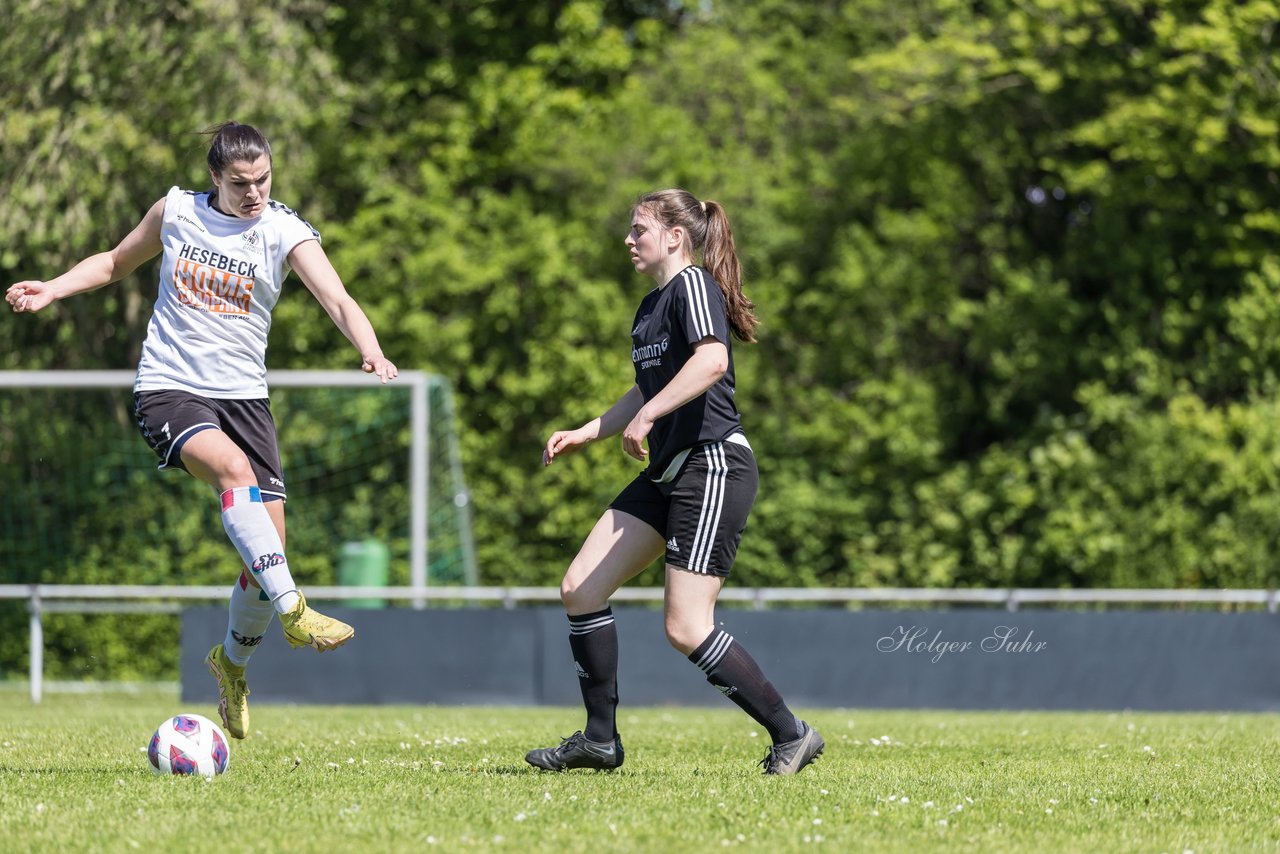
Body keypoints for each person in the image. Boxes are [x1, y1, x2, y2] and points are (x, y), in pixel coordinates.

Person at [5, 121, 397, 740]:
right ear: (214, 177)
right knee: (234, 477)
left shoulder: (283, 229)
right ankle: (297, 611)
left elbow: (339, 300)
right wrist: (52, 288)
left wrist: (370, 349)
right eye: (240, 183)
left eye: (263, 179)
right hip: (169, 387)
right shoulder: (178, 210)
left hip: (246, 399)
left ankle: (231, 666)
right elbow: (113, 262)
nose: (254, 193)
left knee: (266, 554)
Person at [526, 189, 824, 775]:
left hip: (711, 463)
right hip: (669, 469)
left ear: (674, 237)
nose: (629, 240)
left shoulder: (693, 285)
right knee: (581, 588)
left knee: (686, 627)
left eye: (639, 229)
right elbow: (646, 386)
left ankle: (792, 733)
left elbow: (711, 360)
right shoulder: (650, 307)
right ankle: (600, 741)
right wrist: (590, 429)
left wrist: (649, 415)